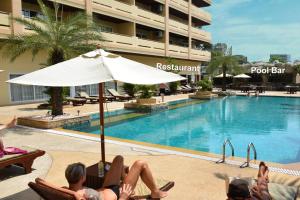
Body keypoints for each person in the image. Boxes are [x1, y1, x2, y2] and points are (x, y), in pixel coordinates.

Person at [65, 155, 168, 200]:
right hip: (118, 193)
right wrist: (123, 196)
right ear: (83, 178)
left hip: (106, 188)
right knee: (140, 164)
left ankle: (125, 182)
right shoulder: (81, 196)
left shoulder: (67, 190)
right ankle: (155, 192)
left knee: (119, 159)